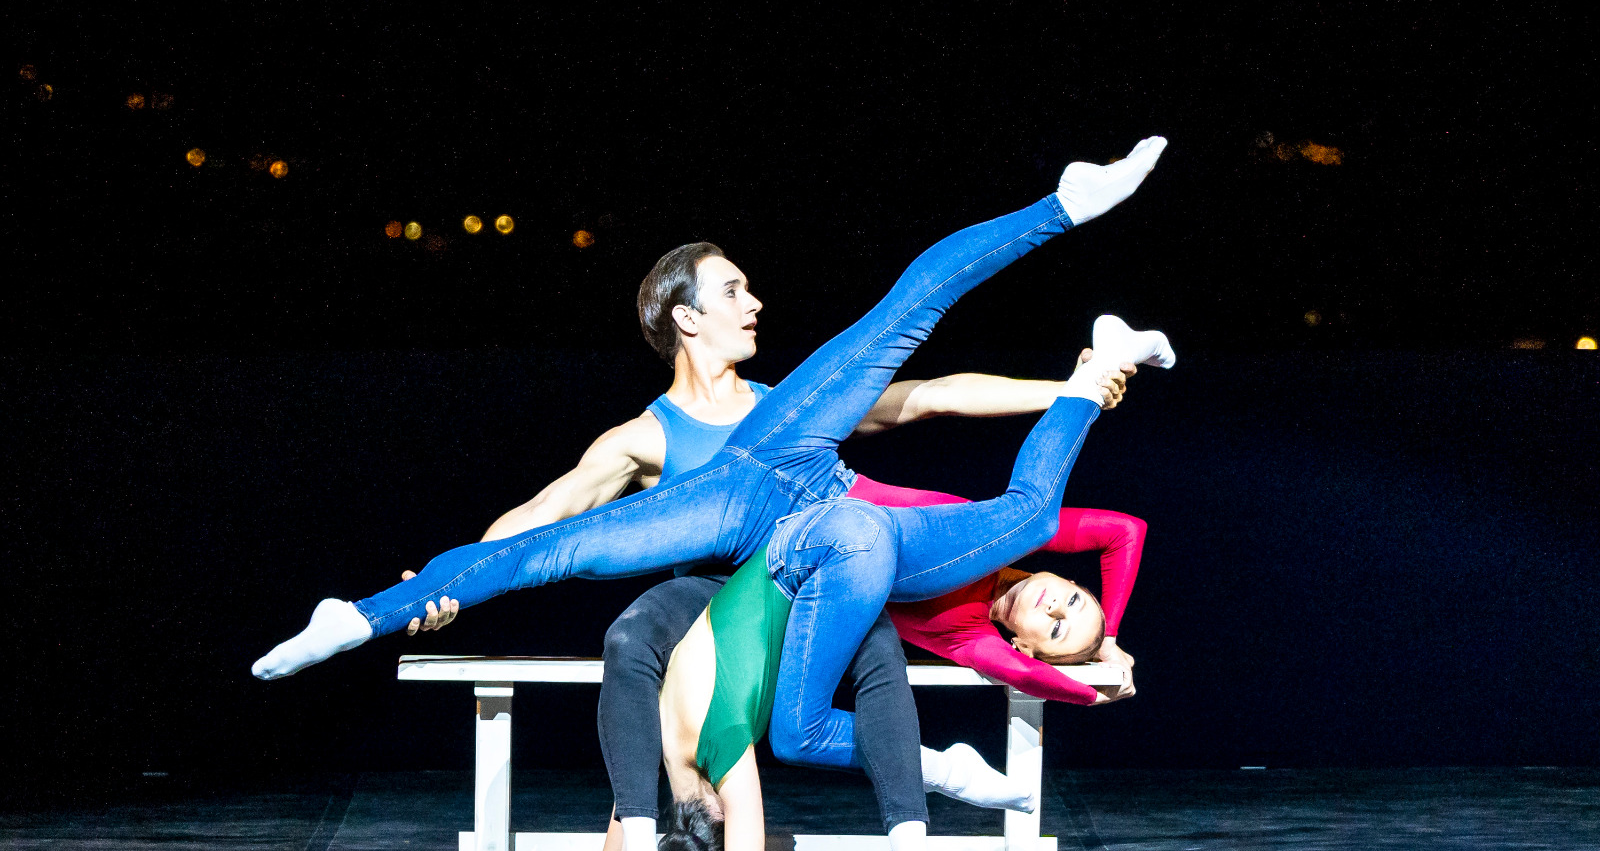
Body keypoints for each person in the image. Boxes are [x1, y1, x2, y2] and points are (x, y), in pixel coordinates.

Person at [251, 136, 1169, 684]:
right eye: (734, 291)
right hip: (741, 528)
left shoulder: (789, 405)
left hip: (816, 512)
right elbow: (542, 518)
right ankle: (362, 615)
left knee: (900, 321)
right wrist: (441, 587)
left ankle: (1065, 203)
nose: (755, 303)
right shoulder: (642, 437)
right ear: (686, 317)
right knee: (551, 554)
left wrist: (1071, 387)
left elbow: (927, 396)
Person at [549, 316, 1172, 851]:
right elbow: (1123, 532)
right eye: (1071, 599)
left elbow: (931, 399)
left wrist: (1093, 685)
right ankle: (1093, 376)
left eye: (1057, 627)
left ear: (1027, 644)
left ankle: (921, 843)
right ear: (1068, 579)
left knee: (856, 667)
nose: (1055, 606)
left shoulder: (968, 632)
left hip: (821, 566)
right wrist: (1108, 645)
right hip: (798, 541)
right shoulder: (994, 542)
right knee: (1029, 516)